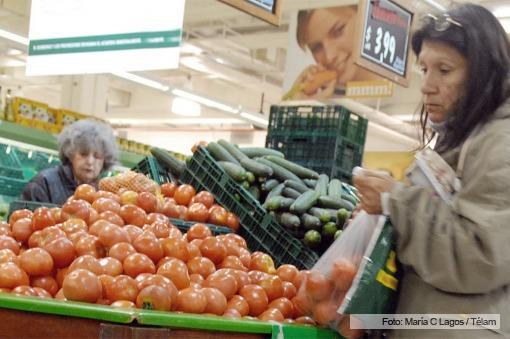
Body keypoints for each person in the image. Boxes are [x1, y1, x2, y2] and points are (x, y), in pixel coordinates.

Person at [353, 4, 510, 338]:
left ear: (482, 71)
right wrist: (385, 213)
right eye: (424, 68)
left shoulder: (500, 142)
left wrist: (396, 202)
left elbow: (482, 255)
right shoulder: (465, 136)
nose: (427, 85)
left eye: (444, 70)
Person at [285, 6, 380, 100]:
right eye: (317, 48)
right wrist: (302, 107)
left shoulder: (392, 96)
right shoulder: (322, 98)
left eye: (338, 30)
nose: (329, 56)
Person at [21, 119, 119, 205]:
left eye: (97, 156)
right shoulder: (43, 184)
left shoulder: (104, 193)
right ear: (70, 154)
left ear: (105, 160)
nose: (90, 162)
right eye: (83, 154)